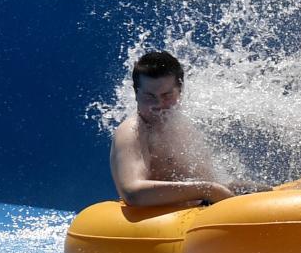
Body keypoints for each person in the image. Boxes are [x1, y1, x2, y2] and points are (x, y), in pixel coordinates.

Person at [110, 50, 262, 207]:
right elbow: (133, 193)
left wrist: (234, 188)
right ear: (136, 93)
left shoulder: (181, 126)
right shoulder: (132, 131)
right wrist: (207, 189)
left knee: (264, 191)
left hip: (199, 212)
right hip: (167, 226)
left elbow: (210, 184)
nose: (158, 105)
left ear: (180, 91)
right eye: (149, 97)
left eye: (167, 96)